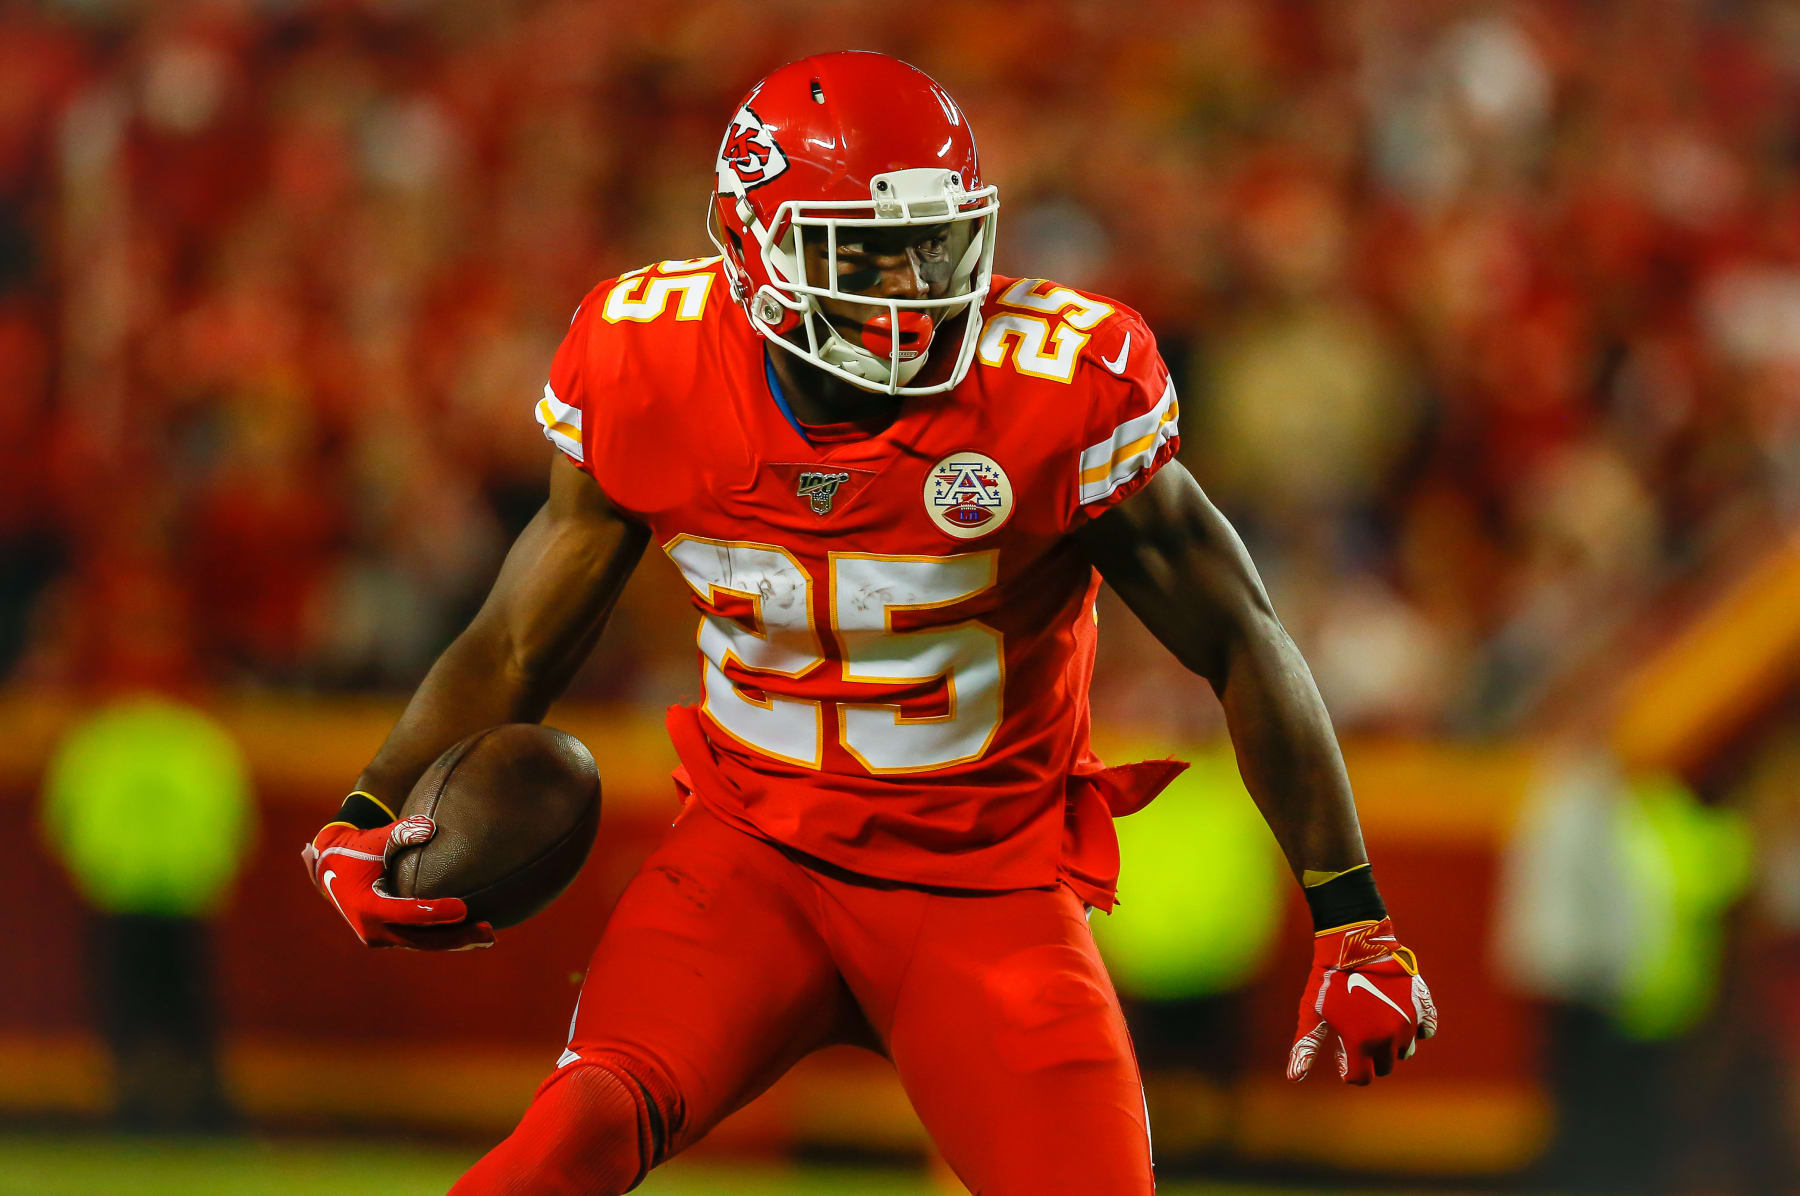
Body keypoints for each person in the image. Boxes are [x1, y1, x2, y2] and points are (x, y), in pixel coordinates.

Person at [302, 52, 1437, 1195]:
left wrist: (1352, 915)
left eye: (933, 244)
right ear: (755, 248)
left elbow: (1240, 632)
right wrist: (367, 809)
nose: (912, 287)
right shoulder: (647, 353)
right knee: (577, 1128)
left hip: (985, 890)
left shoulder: (1055, 380)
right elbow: (513, 638)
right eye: (865, 253)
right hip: (751, 862)